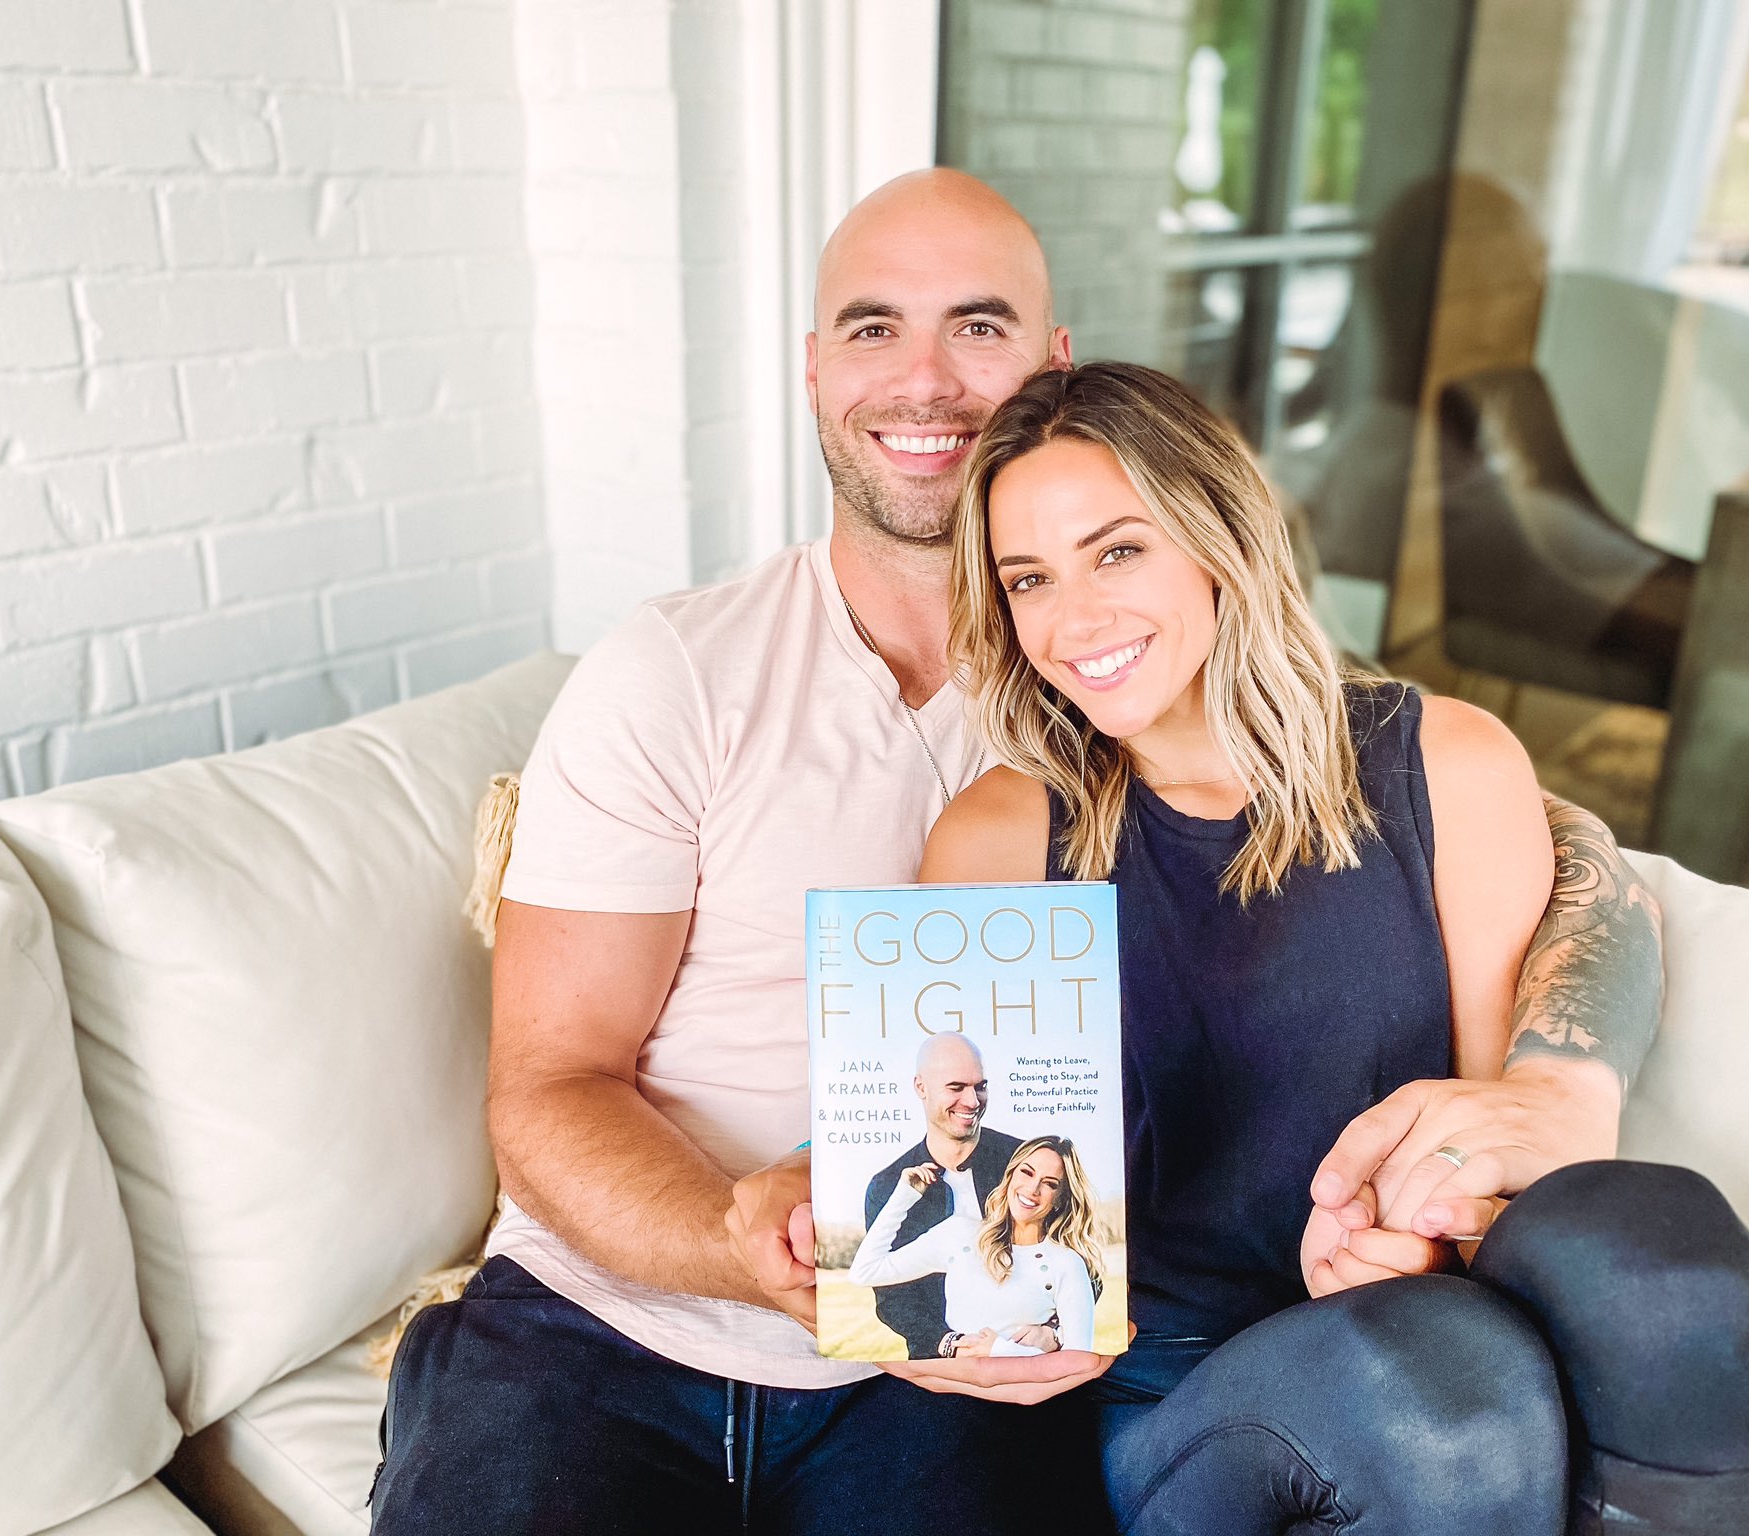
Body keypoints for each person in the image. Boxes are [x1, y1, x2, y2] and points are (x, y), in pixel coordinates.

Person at [370, 169, 1671, 1536]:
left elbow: (1526, 837)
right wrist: (728, 1240)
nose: (924, 379)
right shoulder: (679, 672)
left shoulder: (1131, 662)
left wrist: (1564, 1079)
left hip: (954, 1355)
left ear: (1055, 366)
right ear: (815, 372)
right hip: (611, 1331)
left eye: (977, 327)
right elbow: (545, 1090)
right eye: (874, 329)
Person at [918, 358, 1749, 1535]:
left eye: (1117, 550)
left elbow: (1494, 1141)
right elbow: (974, 1186)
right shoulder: (999, 836)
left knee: (1672, 1273)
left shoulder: (1446, 765)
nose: (1071, 619)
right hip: (1179, 1392)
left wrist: (1422, 1235)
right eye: (1027, 578)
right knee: (1432, 1395)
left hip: (1444, 1331)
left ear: (1218, 536)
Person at [853, 1135, 1102, 1359]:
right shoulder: (959, 1234)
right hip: (950, 1387)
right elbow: (865, 1271)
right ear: (1011, 1175)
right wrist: (904, 1195)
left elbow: (1076, 1360)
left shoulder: (1067, 1263)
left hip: (1023, 1395)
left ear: (1060, 1199)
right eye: (1026, 1172)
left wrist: (1003, 1349)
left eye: (1050, 1183)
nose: (1033, 1189)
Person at [861, 1034, 1021, 1358]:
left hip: (1032, 1351)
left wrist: (1048, 1331)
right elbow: (893, 1298)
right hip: (939, 1365)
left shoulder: (1025, 1162)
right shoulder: (887, 1186)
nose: (973, 1101)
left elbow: (1078, 1255)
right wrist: (949, 1344)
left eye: (980, 1086)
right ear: (921, 1087)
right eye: (956, 1087)